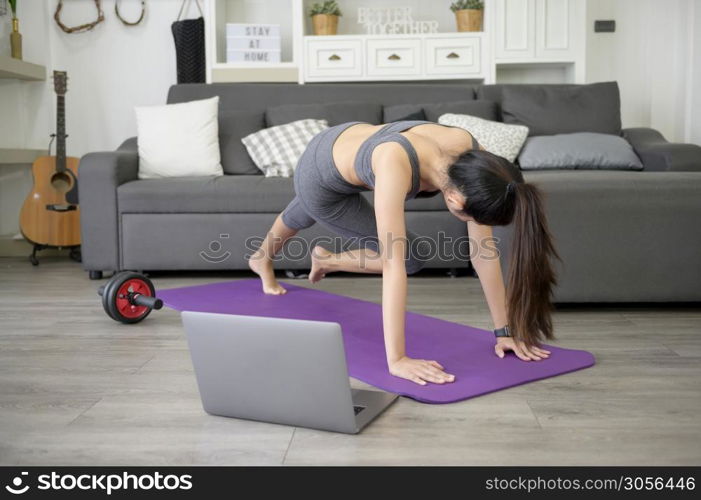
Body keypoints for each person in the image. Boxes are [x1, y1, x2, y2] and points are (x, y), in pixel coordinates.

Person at [248, 120, 558, 386]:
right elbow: (393, 265)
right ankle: (326, 259)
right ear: (452, 198)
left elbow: (484, 252)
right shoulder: (393, 162)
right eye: (471, 218)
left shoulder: (473, 157)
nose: (475, 226)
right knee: (409, 257)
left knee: (305, 209)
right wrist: (398, 359)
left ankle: (261, 257)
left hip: (337, 144)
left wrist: (504, 331)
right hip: (321, 175)